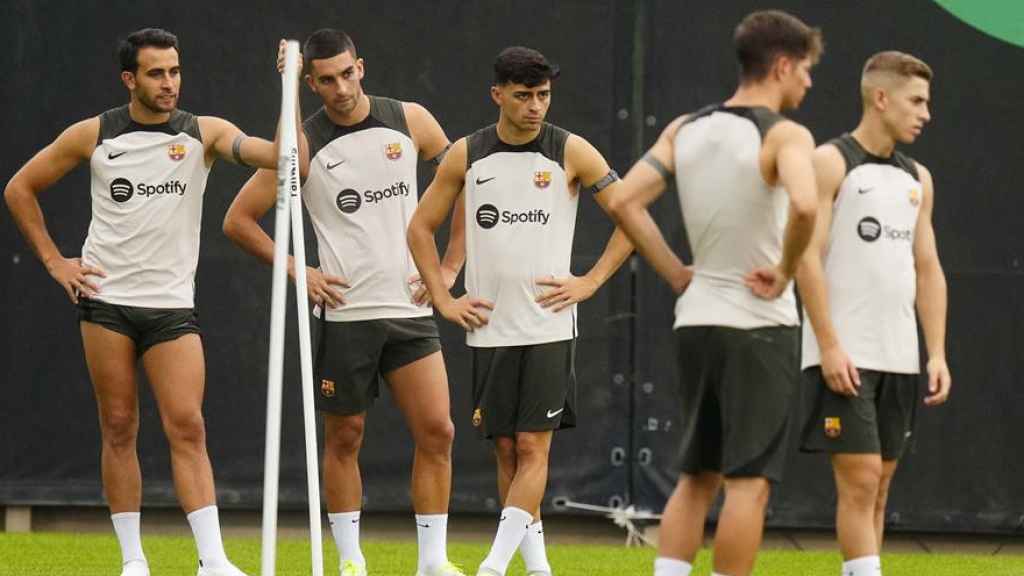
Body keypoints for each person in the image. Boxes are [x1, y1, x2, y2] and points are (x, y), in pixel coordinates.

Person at [4, 28, 287, 576]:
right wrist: (54, 261)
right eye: (156, 73)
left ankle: (213, 559)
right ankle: (133, 559)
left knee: (188, 425)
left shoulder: (204, 133)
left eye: (175, 71)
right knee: (118, 425)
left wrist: (288, 86)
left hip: (171, 308)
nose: (169, 83)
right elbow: (19, 188)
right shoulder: (94, 134)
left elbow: (277, 156)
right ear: (129, 79)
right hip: (107, 303)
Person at [222, 28, 465, 576]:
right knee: (346, 436)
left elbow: (461, 184)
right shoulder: (302, 144)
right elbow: (237, 220)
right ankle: (351, 559)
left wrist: (448, 268)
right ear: (311, 83)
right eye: (326, 80)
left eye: (347, 73)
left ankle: (433, 561)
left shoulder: (412, 120)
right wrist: (297, 269)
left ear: (362, 67)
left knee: (439, 430)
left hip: (410, 311)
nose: (340, 87)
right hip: (345, 315)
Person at [608, 10, 822, 576]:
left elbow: (624, 200)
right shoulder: (785, 133)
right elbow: (805, 203)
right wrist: (783, 269)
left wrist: (677, 273)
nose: (808, 82)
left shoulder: (685, 128)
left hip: (695, 321)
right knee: (748, 485)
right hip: (759, 328)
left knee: (696, 477)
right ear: (781, 65)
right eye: (805, 69)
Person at [407, 45, 633, 576]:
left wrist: (591, 281)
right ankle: (538, 568)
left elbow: (632, 216)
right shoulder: (467, 154)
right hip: (488, 328)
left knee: (533, 446)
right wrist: (443, 297)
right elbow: (420, 227)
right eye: (524, 95)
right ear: (498, 95)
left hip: (548, 326)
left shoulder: (571, 151)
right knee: (506, 450)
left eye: (544, 95)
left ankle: (492, 565)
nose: (536, 106)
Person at [795, 51, 950, 576]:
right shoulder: (831, 162)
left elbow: (927, 268)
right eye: (917, 101)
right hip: (844, 353)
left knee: (879, 487)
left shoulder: (918, 179)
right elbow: (806, 259)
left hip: (901, 356)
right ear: (880, 98)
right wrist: (829, 343)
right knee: (860, 480)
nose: (926, 113)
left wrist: (937, 353)